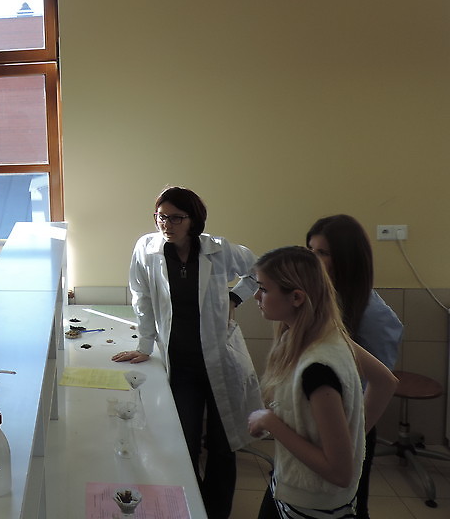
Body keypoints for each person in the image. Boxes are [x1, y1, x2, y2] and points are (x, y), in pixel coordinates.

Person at [112, 186, 260, 519]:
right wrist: (144, 345)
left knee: (223, 446)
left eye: (176, 218)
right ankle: (191, 510)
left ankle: (217, 512)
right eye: (161, 216)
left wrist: (235, 298)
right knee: (183, 445)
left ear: (194, 219)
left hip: (221, 361)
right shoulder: (146, 249)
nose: (166, 224)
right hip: (181, 367)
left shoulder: (218, 249)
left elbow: (260, 270)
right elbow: (141, 296)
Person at [248, 246, 398, 518]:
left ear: (296, 297)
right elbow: (385, 381)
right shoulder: (324, 334)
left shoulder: (317, 370)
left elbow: (339, 472)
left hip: (311, 503)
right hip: (289, 482)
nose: (256, 296)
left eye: (264, 289)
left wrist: (270, 422)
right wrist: (350, 436)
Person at [306, 215, 403, 519]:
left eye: (322, 253)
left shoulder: (372, 312)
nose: (313, 260)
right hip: (315, 420)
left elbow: (381, 382)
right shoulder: (318, 300)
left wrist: (351, 438)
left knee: (349, 506)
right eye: (310, 250)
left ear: (346, 260)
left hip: (349, 425)